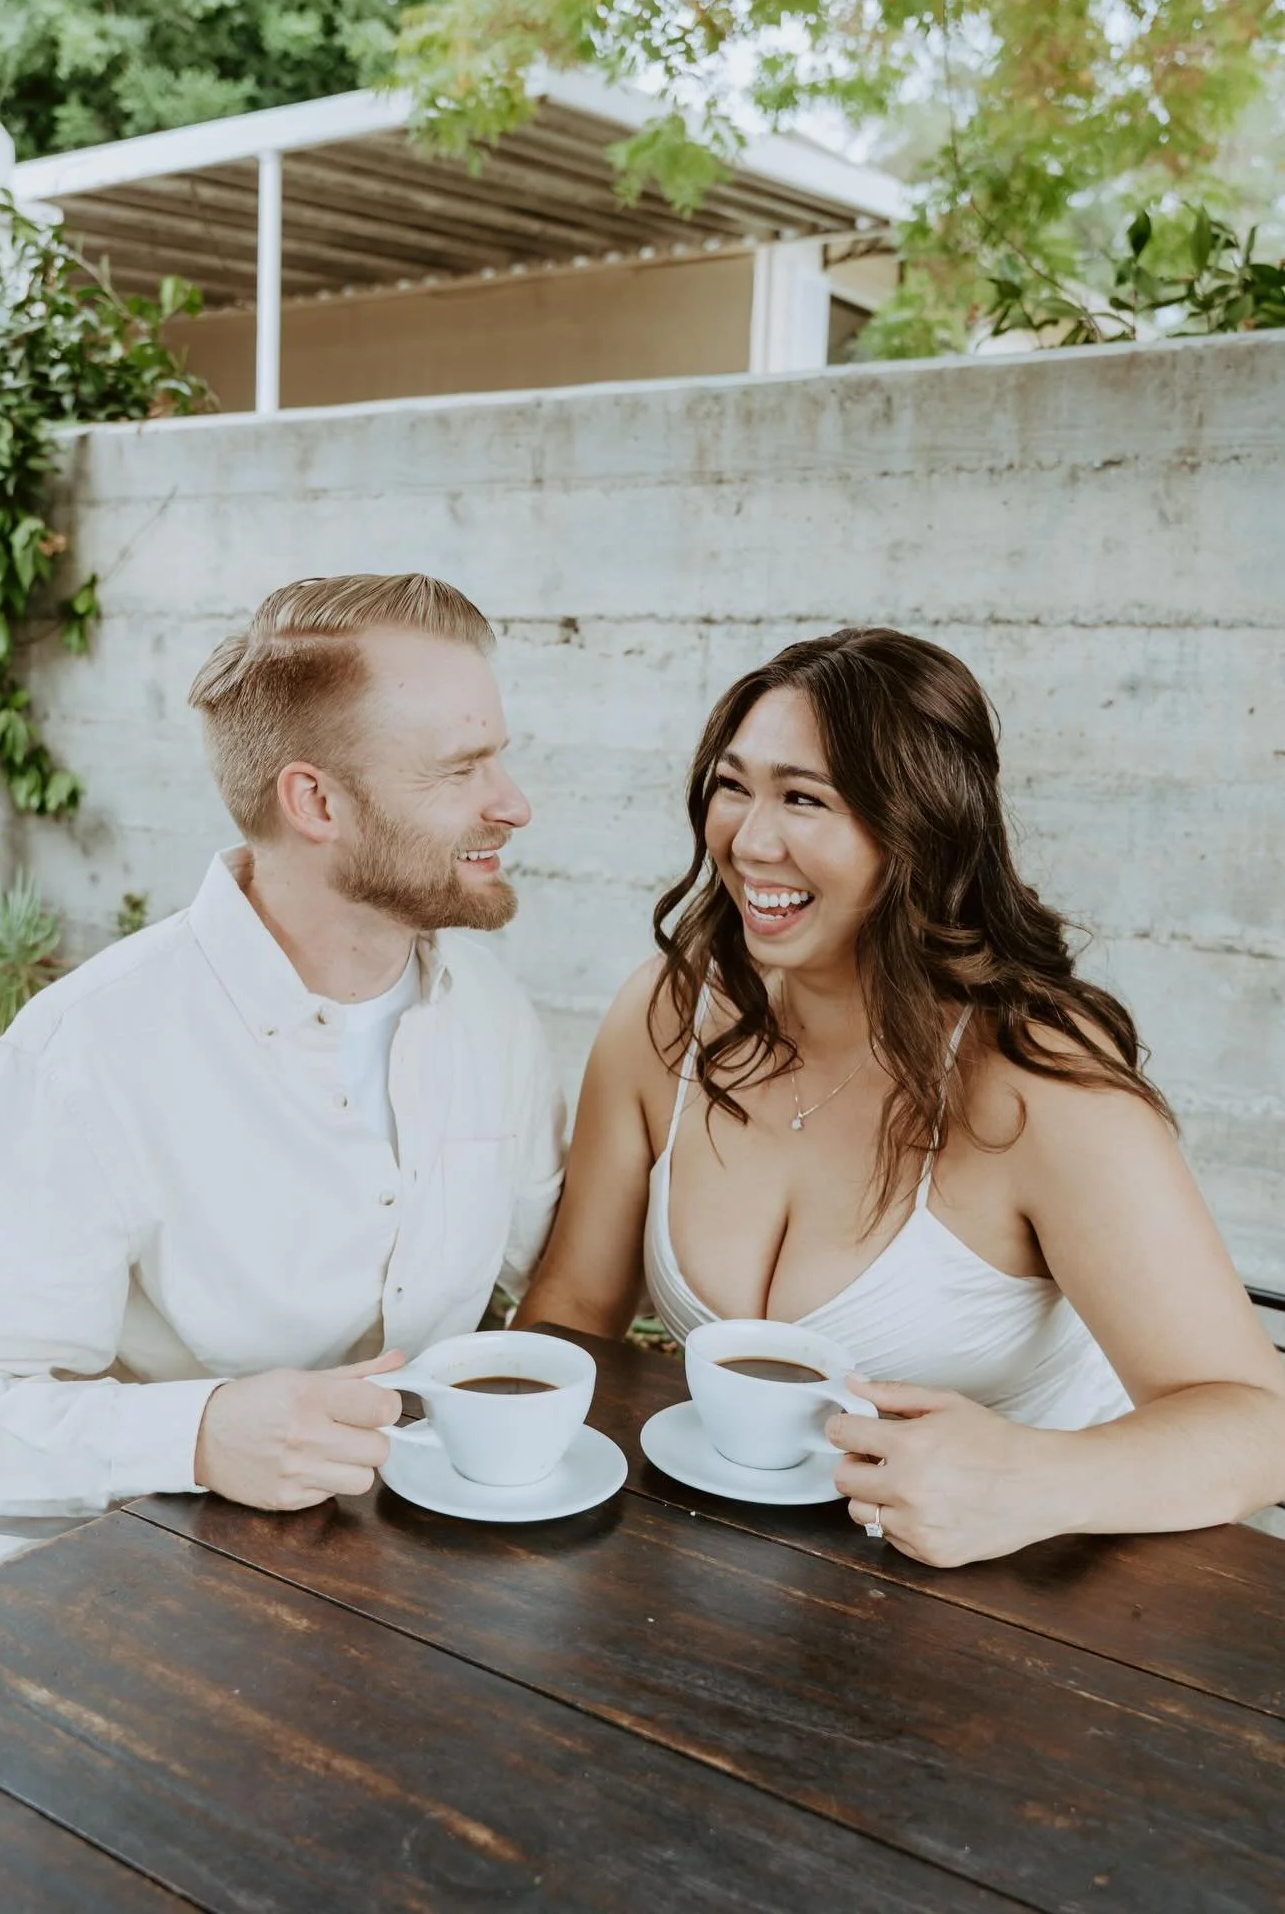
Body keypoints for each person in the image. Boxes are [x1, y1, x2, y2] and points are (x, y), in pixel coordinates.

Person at [516, 627, 1285, 1565]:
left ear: (918, 827)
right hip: (751, 1574)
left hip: (1052, 1591)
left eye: (804, 798)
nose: (750, 840)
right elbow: (572, 1312)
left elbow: (1259, 1424)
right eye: (732, 785)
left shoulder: (1035, 1079)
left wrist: (1032, 1482)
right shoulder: (667, 1013)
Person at [0, 573, 565, 1592]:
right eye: (462, 770)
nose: (512, 804)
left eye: (500, 757)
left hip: (382, 1585)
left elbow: (557, 1273)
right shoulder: (86, 1050)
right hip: (97, 1596)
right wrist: (199, 1432)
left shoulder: (491, 1012)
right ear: (316, 801)